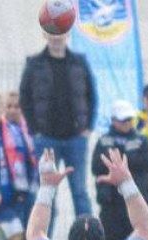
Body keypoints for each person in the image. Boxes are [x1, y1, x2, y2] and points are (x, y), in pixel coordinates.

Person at [18, 29, 97, 223]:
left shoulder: (79, 62)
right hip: (46, 139)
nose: (56, 37)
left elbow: (92, 95)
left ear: (67, 34)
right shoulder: (34, 63)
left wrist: (88, 127)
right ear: (45, 35)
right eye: (52, 33)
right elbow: (24, 97)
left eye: (60, 33)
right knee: (47, 193)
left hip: (76, 139)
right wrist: (34, 129)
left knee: (79, 192)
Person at [91, 100, 148, 240]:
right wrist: (128, 160)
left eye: (129, 119)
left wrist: (120, 160)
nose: (127, 123)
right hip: (111, 204)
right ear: (113, 120)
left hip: (135, 201)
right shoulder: (103, 141)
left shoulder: (142, 140)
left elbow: (147, 163)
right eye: (123, 120)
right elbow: (96, 166)